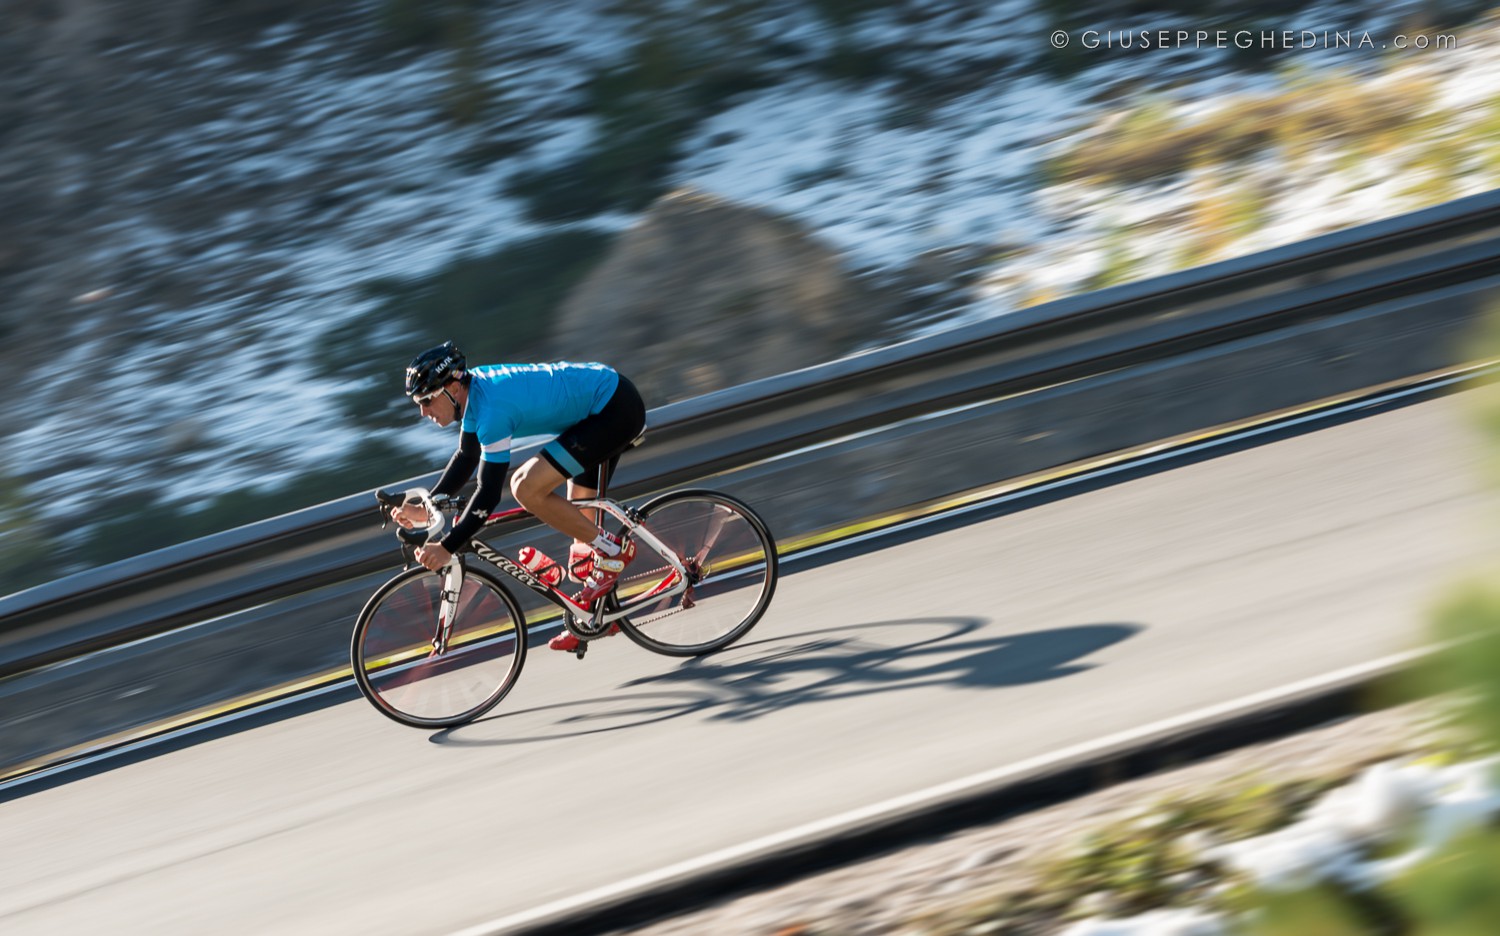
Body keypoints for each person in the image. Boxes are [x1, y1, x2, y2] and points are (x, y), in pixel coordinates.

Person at [389, 341, 647, 652]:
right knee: (582, 556)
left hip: (612, 409)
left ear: (453, 387)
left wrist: (447, 546)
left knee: (525, 486)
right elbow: (466, 458)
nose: (423, 411)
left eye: (428, 400)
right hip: (597, 409)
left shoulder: (491, 411)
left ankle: (614, 550)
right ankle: (599, 620)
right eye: (419, 402)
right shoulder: (475, 394)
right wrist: (427, 508)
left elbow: (487, 495)